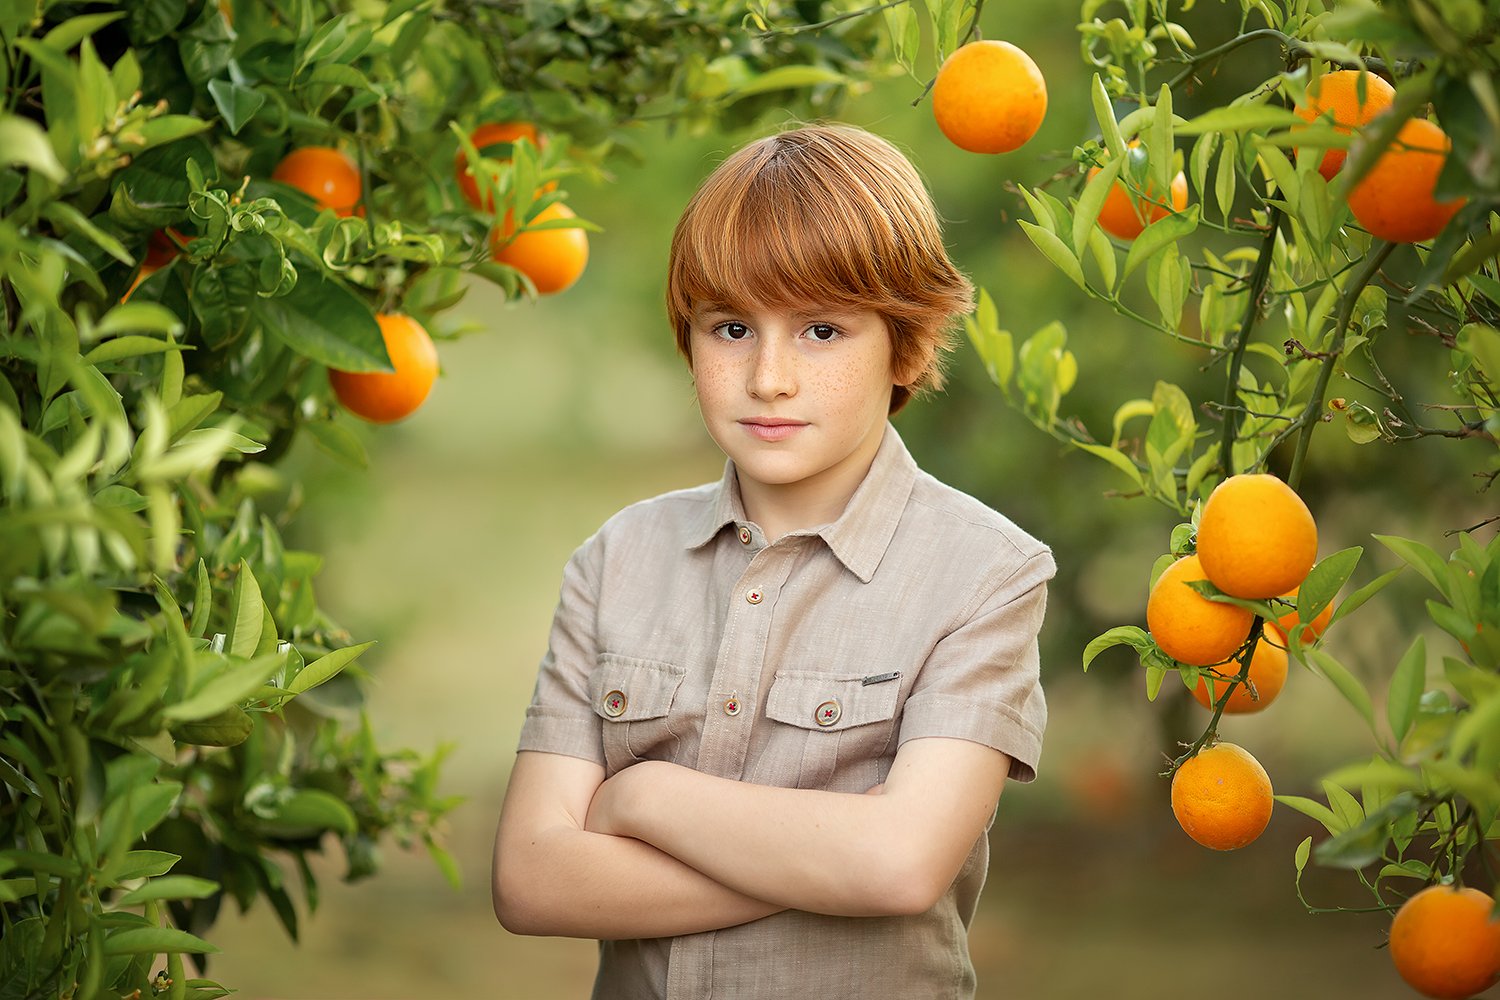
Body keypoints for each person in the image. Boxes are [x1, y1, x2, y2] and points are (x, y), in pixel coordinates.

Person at [492, 121, 1054, 1000]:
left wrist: (645, 803)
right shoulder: (617, 561)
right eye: (730, 328)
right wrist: (829, 864)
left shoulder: (983, 574)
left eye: (822, 330)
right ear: (689, 339)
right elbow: (531, 879)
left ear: (904, 342)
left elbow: (902, 868)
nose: (769, 378)